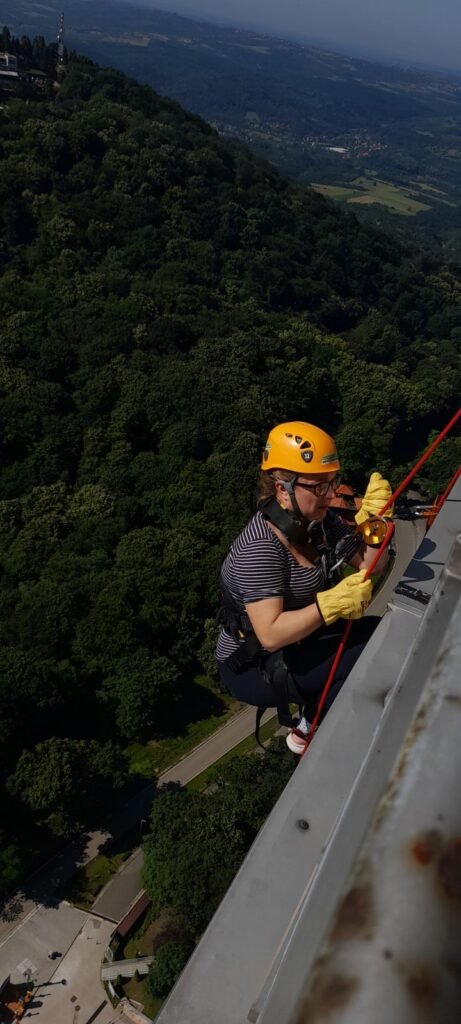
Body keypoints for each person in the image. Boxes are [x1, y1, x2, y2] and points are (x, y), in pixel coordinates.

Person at [216, 421, 393, 753]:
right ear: (283, 489)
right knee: (370, 652)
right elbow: (270, 634)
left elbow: (373, 565)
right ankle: (309, 727)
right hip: (255, 664)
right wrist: (328, 606)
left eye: (333, 482)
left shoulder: (318, 522)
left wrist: (376, 523)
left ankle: (311, 720)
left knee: (383, 631)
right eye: (320, 486)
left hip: (300, 639)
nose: (331, 495)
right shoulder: (260, 548)